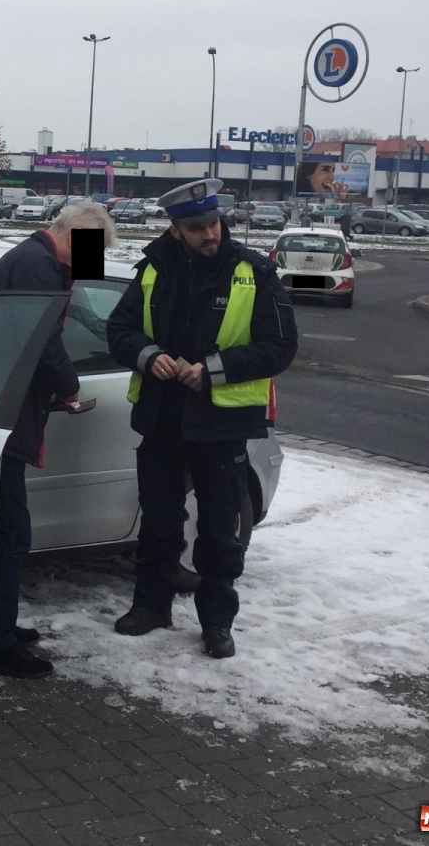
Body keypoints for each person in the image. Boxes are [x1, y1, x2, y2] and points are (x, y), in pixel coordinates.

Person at [106, 179, 297, 660]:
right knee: (159, 524)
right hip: (162, 418)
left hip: (222, 426)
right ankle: (151, 606)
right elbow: (120, 330)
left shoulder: (253, 273)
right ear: (175, 230)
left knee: (217, 532)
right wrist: (149, 357)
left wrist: (214, 371)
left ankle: (217, 623)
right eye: (196, 228)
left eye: (213, 223)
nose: (210, 234)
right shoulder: (152, 270)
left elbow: (280, 346)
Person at [0, 201, 116, 680]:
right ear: (76, 237)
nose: (92, 265)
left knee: (6, 532)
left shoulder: (37, 260)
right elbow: (43, 339)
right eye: (94, 250)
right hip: (4, 418)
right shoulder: (38, 265)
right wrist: (69, 383)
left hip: (6, 409)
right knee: (12, 533)